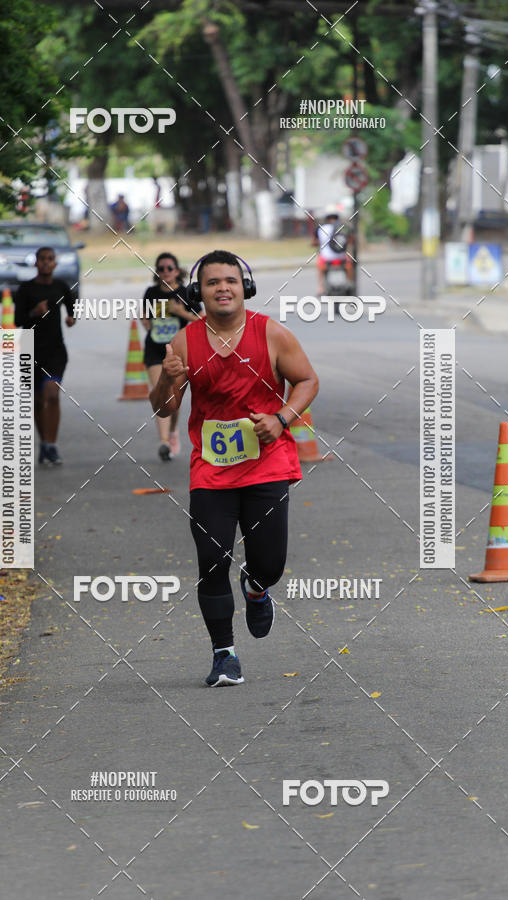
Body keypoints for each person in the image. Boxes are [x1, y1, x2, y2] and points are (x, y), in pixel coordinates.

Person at [150, 249, 319, 686]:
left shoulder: (272, 334)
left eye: (230, 280)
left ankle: (257, 587)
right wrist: (169, 378)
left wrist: (281, 419)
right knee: (211, 558)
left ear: (244, 287)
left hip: (267, 465)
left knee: (270, 563)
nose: (222, 288)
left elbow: (307, 380)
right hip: (212, 470)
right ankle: (223, 654)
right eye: (212, 282)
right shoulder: (186, 341)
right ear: (198, 292)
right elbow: (164, 408)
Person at [14, 247, 76, 465]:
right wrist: (34, 313)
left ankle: (52, 444)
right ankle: (44, 443)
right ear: (36, 263)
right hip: (30, 348)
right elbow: (17, 320)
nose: (46, 263)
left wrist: (71, 318)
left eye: (50, 259)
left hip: (56, 350)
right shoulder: (26, 289)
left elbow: (71, 307)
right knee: (38, 401)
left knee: (52, 394)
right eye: (42, 259)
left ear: (55, 264)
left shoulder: (61, 286)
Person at [141, 252, 201, 460]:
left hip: (180, 352)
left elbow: (202, 320)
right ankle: (164, 442)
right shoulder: (151, 292)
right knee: (160, 389)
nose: (165, 272)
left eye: (169, 268)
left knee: (174, 398)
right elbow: (145, 315)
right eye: (161, 268)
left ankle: (173, 431)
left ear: (177, 270)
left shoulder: (186, 293)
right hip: (155, 350)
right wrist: (147, 323)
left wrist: (180, 312)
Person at [314, 209, 348, 296]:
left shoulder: (321, 228)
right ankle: (349, 283)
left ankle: (320, 288)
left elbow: (315, 242)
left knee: (319, 267)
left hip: (326, 258)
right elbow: (349, 239)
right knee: (350, 265)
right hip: (341, 257)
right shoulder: (342, 228)